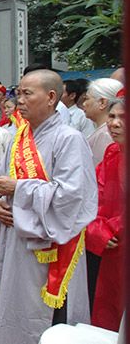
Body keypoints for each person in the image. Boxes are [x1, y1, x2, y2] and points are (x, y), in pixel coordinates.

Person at [0, 69, 97, 344]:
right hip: (15, 234)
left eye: (27, 93)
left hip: (50, 244)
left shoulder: (69, 139)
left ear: (51, 97)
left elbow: (72, 196)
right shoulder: (18, 137)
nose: (19, 100)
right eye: (18, 93)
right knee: (11, 298)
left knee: (43, 311)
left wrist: (19, 189)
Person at [85, 91, 124, 331]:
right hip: (107, 244)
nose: (115, 123)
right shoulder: (111, 153)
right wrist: (95, 228)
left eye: (123, 117)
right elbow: (94, 194)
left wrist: (110, 228)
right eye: (112, 116)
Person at [83, 78, 123, 166]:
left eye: (87, 99)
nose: (84, 103)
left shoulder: (107, 134)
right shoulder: (104, 131)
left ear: (102, 103)